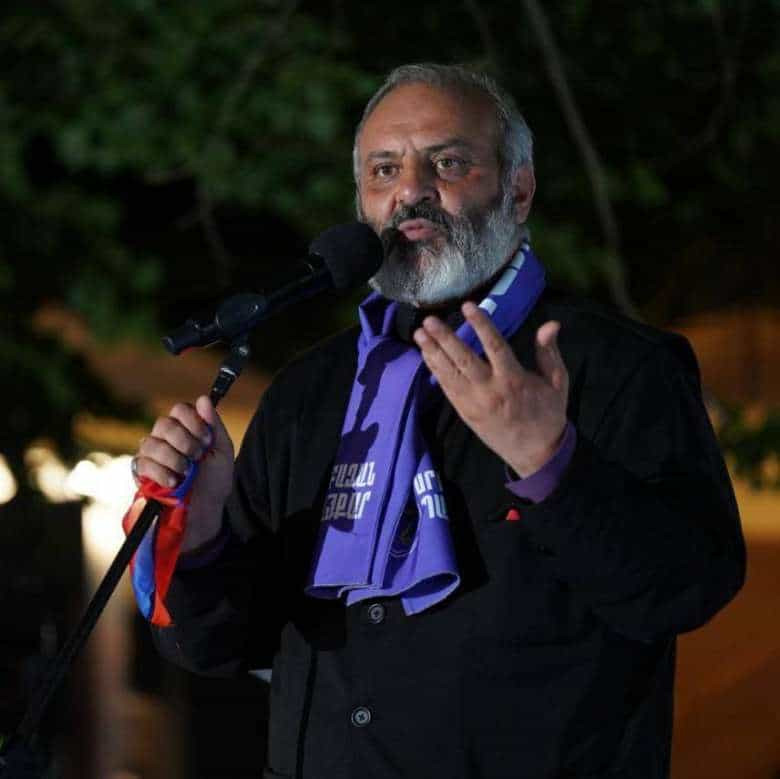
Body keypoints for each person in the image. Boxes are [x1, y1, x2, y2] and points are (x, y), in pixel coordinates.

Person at [132, 64, 745, 779]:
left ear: (519, 190)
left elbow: (685, 588)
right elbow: (219, 646)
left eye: (448, 163)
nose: (411, 190)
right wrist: (203, 538)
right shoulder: (308, 392)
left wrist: (552, 462)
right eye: (383, 170)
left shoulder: (618, 367)